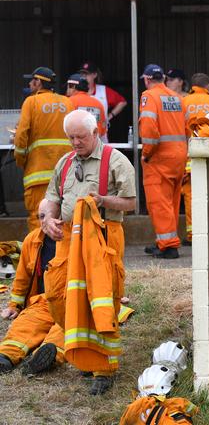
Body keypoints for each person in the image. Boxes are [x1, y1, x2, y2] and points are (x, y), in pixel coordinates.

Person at [41, 109, 136, 394]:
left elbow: (131, 202)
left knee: (102, 302)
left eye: (80, 137)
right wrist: (47, 220)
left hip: (103, 238)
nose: (75, 143)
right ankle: (83, 353)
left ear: (96, 133)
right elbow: (51, 198)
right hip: (69, 238)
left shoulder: (116, 161)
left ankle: (104, 369)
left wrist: (104, 199)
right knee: (60, 296)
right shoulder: (65, 162)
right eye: (70, 137)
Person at [0, 199, 64, 375]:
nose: (43, 221)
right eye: (40, 217)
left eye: (47, 216)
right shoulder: (32, 240)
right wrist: (15, 305)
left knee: (63, 332)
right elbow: (22, 278)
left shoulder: (77, 239)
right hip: (42, 302)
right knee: (25, 325)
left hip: (71, 302)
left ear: (60, 215)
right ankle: (5, 356)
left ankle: (47, 358)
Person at [14, 67, 73, 231]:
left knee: (38, 217)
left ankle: (39, 256)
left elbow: (21, 136)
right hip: (65, 174)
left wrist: (21, 160)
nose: (29, 83)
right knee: (64, 216)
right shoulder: (67, 102)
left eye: (32, 80)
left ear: (38, 82)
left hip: (38, 173)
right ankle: (62, 255)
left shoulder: (31, 102)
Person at [139, 64, 187, 259]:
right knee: (172, 202)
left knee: (158, 203)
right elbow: (188, 127)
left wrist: (147, 153)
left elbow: (149, 129)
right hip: (179, 156)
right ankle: (167, 240)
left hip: (159, 157)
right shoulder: (177, 98)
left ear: (147, 79)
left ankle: (167, 245)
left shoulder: (148, 96)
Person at [181, 73, 209, 244]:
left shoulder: (183, 102)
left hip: (188, 157)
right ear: (208, 87)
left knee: (191, 197)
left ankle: (193, 236)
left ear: (192, 86)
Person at [78, 61, 127, 137]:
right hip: (80, 135)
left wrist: (110, 116)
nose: (84, 76)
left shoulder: (103, 90)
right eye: (82, 74)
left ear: (94, 75)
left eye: (87, 74)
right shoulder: (76, 91)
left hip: (101, 137)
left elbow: (122, 102)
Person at [66, 73, 107, 140]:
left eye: (67, 86)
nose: (66, 90)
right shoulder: (98, 103)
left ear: (72, 86)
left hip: (77, 145)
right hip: (94, 145)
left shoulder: (68, 102)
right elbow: (103, 129)